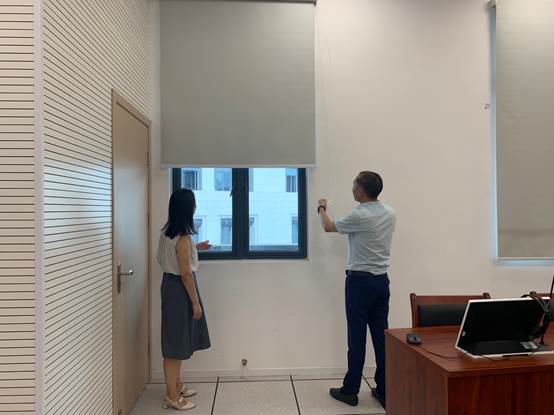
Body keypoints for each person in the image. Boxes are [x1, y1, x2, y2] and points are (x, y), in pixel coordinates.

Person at [318, 171, 396, 410]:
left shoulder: (360, 215)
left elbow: (328, 227)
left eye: (354, 186)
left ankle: (350, 390)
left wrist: (321, 208)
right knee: (381, 337)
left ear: (361, 191)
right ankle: (384, 390)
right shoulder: (389, 212)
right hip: (381, 282)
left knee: (357, 338)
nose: (352, 189)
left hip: (359, 284)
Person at [157, 188, 212, 410]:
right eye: (193, 204)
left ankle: (176, 385)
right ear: (187, 209)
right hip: (179, 289)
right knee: (174, 345)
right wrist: (195, 303)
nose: (195, 207)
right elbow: (186, 273)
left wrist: (195, 248)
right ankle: (171, 396)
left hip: (170, 286)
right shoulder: (182, 237)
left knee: (176, 340)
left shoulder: (167, 231)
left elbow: (173, 255)